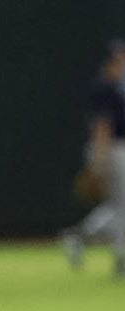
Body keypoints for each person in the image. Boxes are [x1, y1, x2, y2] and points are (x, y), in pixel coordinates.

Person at [59, 38, 125, 279]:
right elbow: (102, 126)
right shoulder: (104, 87)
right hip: (111, 149)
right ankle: (121, 259)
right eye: (119, 58)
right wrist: (99, 160)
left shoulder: (118, 87)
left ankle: (79, 236)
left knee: (119, 207)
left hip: (117, 149)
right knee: (123, 206)